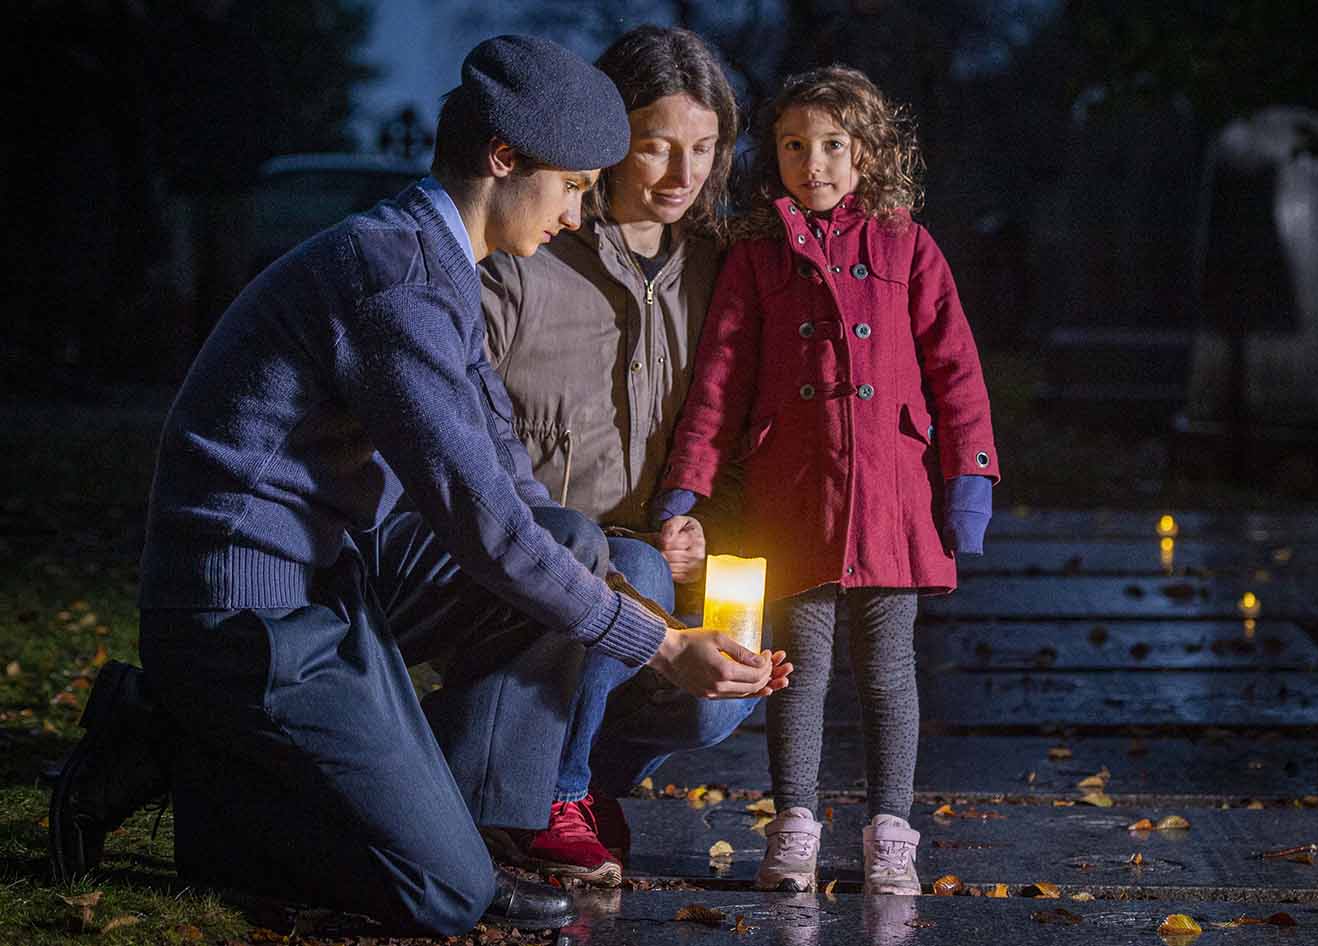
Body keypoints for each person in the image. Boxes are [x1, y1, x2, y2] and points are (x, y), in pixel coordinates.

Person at [47, 35, 788, 936]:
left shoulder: (442, 266)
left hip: (334, 576)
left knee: (573, 539)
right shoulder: (392, 279)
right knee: (437, 896)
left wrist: (651, 614)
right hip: (247, 611)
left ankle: (472, 826)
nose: (575, 214)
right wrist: (663, 646)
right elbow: (485, 527)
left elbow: (518, 495)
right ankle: (176, 747)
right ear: (503, 157)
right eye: (571, 186)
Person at [655, 64, 998, 895]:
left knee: (888, 674)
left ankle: (892, 831)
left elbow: (956, 368)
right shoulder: (756, 255)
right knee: (795, 671)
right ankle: (795, 825)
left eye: (833, 145)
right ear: (773, 154)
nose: (814, 164)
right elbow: (720, 378)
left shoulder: (908, 245)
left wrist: (970, 479)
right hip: (795, 494)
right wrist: (686, 486)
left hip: (892, 498)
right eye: (794, 145)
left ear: (867, 151)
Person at [476, 25, 750, 888]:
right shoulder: (531, 247)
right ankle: (546, 800)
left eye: (703, 148)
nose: (682, 174)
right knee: (631, 564)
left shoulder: (721, 268)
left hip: (659, 560)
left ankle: (590, 779)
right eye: (655, 146)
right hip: (540, 560)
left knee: (730, 681)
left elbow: (733, 428)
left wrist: (708, 523)